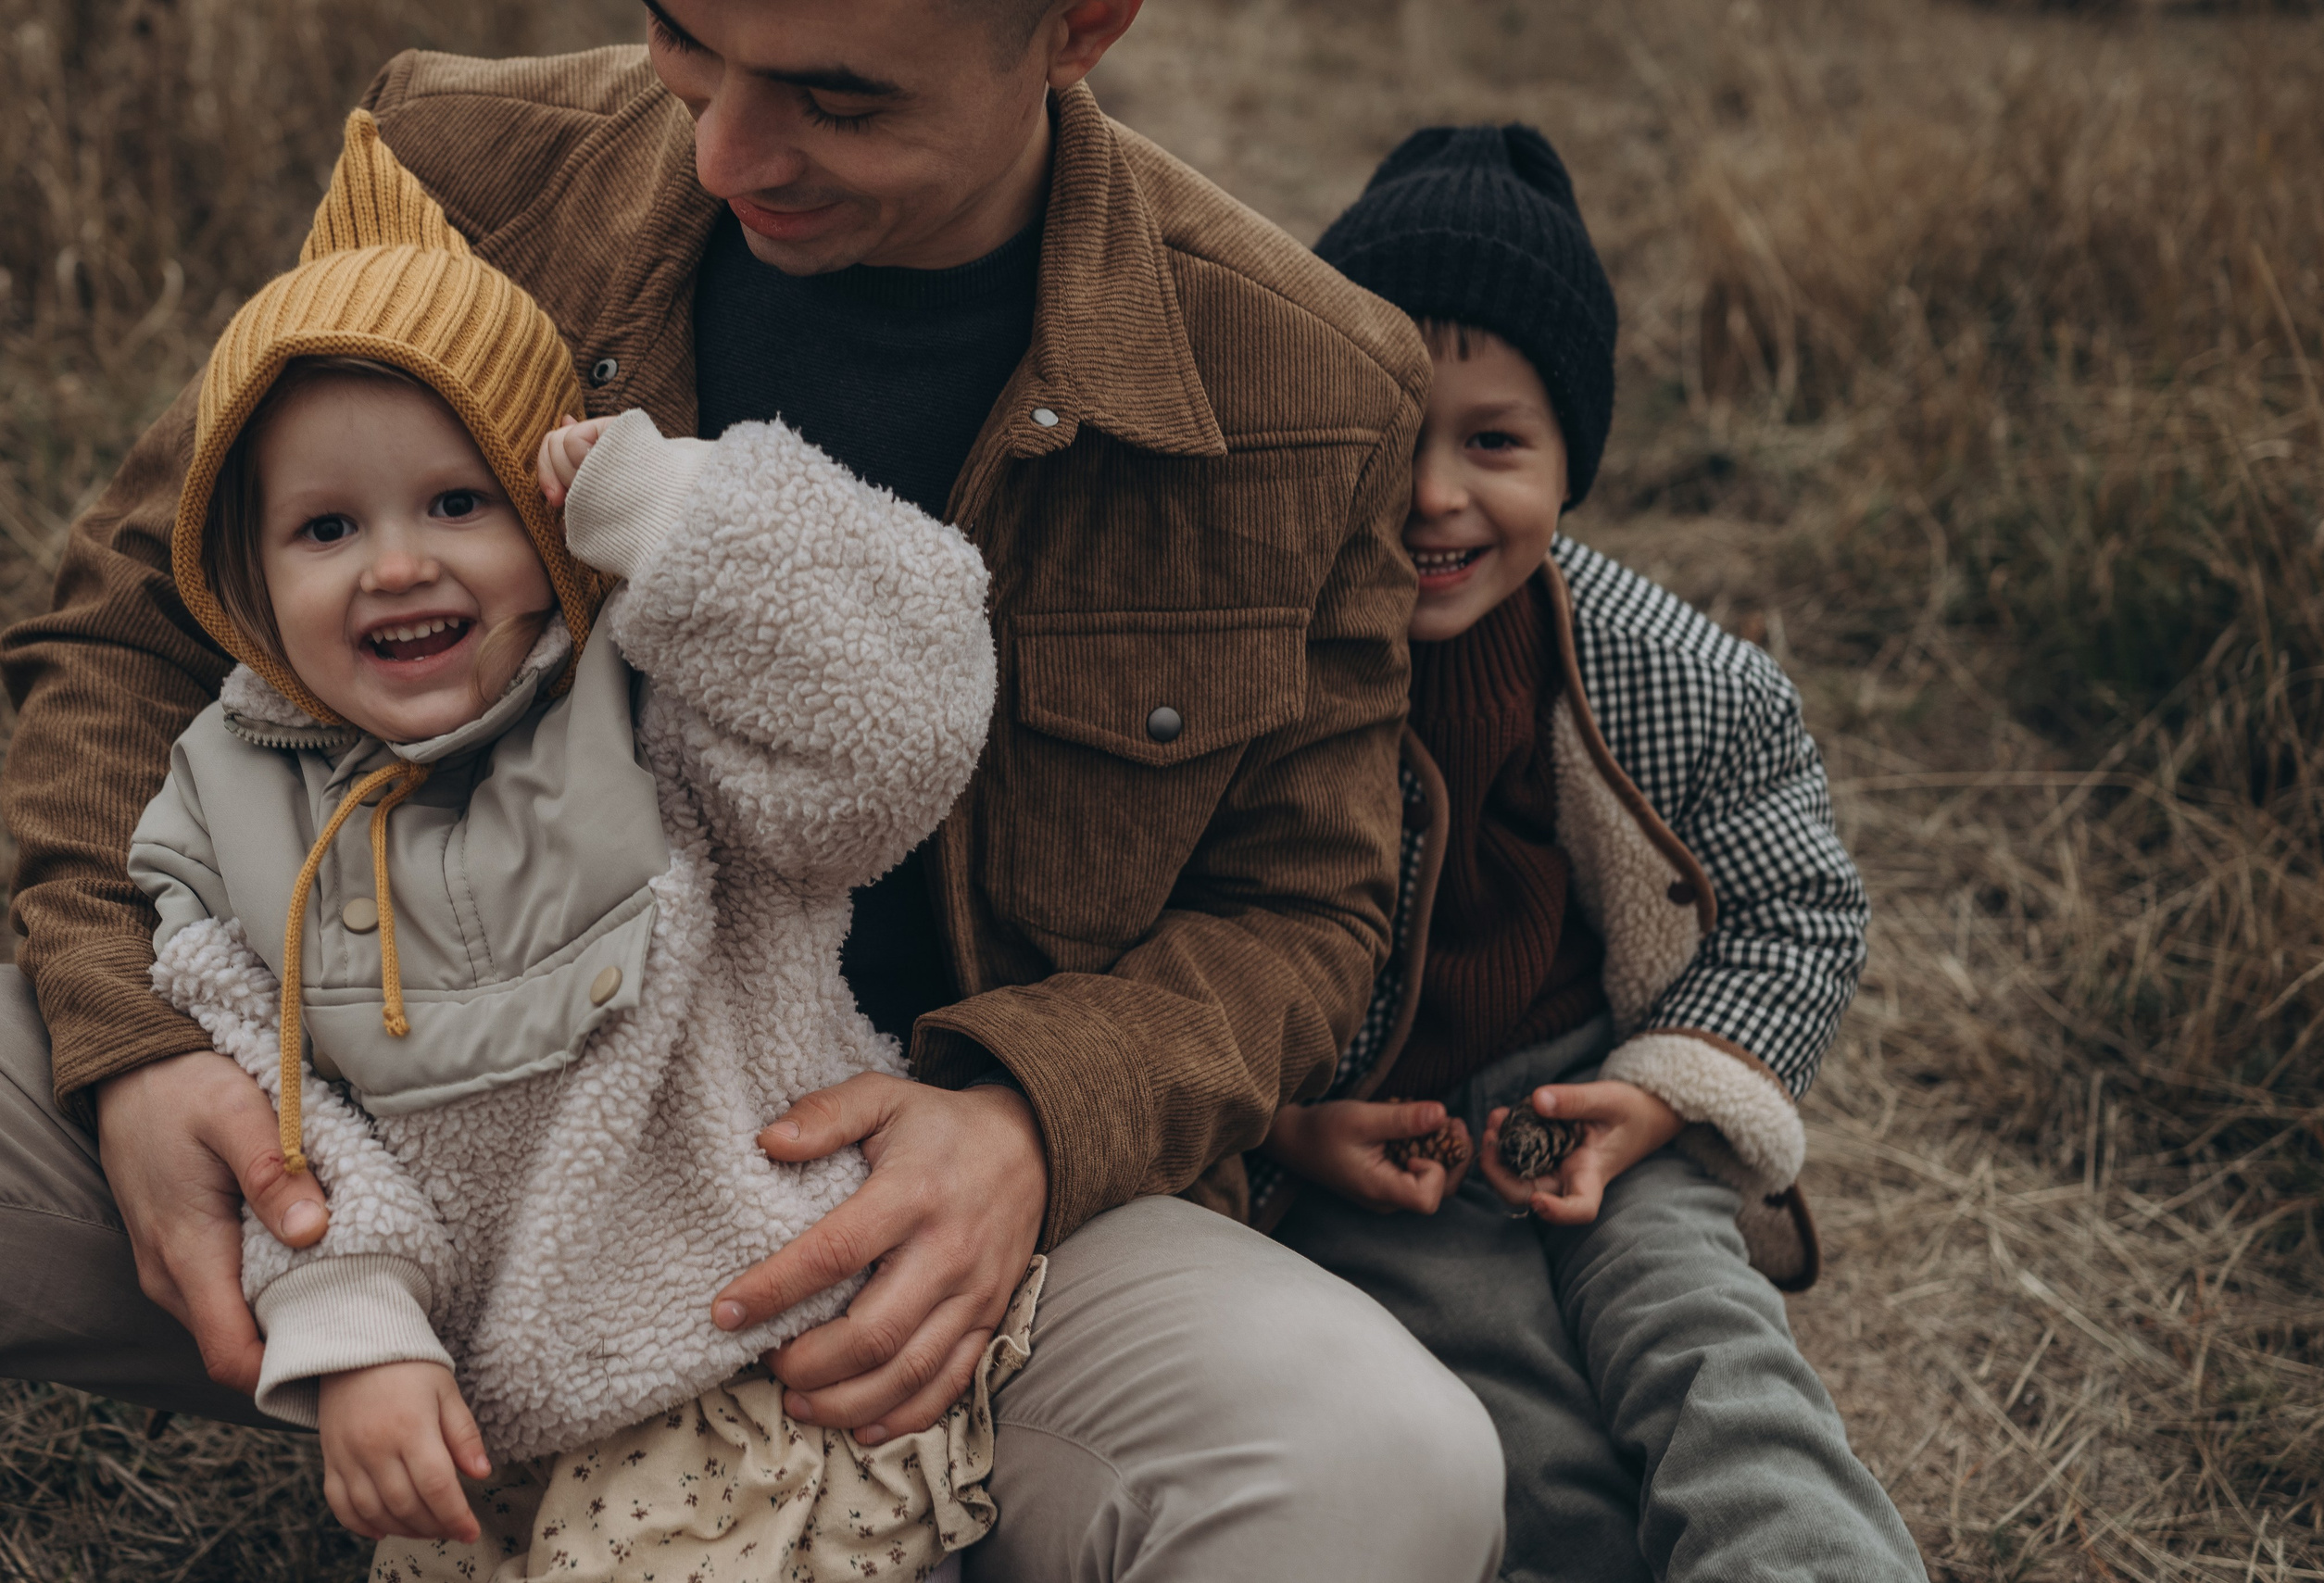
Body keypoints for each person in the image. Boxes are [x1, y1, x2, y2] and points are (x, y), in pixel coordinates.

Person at [0, 4, 1507, 1578]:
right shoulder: (459, 172)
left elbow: (1304, 905)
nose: (722, 150)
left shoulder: (1309, 384)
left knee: (1382, 1461)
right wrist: (141, 1046)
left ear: (1078, 27)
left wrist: (1035, 1119)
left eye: (837, 98)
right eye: (682, 38)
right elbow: (126, 637)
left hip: (898, 1257)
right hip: (368, 1137)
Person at [127, 111, 1028, 1582]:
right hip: (469, 1387)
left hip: (746, 1347)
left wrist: (684, 522)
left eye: (458, 503)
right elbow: (267, 1090)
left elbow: (899, 723)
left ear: (548, 522)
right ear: (241, 570)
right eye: (326, 527)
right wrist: (351, 1314)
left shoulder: (654, 708)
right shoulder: (227, 798)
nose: (398, 562)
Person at [1252, 125, 1929, 1581]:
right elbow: (1176, 925)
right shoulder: (1262, 661)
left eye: (1494, 442)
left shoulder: (1677, 675)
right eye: (1392, 432)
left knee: (1710, 1352)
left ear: (1574, 463)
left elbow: (1798, 908)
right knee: (1518, 1424)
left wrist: (1654, 1096)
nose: (1435, 493)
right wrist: (1284, 1130)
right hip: (1385, 1137)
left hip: (1594, 1092)